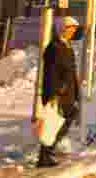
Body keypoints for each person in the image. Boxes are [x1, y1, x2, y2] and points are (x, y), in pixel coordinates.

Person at [37, 16, 81, 168]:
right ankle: (44, 155)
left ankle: (47, 152)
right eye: (70, 29)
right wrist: (55, 92)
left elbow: (70, 71)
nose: (72, 32)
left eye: (74, 29)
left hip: (68, 92)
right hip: (57, 94)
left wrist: (76, 92)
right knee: (53, 124)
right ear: (62, 29)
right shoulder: (54, 47)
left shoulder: (66, 45)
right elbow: (51, 73)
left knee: (63, 120)